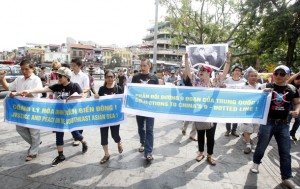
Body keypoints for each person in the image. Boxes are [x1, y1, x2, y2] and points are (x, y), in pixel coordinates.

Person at [21, 67, 88, 167]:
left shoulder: (74, 86)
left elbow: (83, 95)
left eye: (60, 76)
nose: (58, 78)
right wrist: (29, 91)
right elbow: (43, 89)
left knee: (75, 134)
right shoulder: (57, 86)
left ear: (67, 77)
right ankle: (60, 156)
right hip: (59, 115)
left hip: (71, 115)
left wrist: (77, 97)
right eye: (57, 76)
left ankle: (83, 142)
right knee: (59, 134)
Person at [250, 65, 300, 189]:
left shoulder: (292, 89)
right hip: (268, 122)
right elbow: (252, 98)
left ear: (288, 75)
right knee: (261, 146)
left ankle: (286, 177)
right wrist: (262, 94)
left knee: (285, 152)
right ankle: (256, 163)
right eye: (276, 73)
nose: (278, 76)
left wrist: (297, 111)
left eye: (282, 74)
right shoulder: (267, 86)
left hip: (284, 124)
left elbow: (297, 103)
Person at [183, 52, 231, 165]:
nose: (200, 72)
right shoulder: (196, 82)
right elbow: (189, 72)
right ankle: (201, 153)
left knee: (210, 136)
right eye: (200, 70)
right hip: (199, 113)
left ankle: (210, 155)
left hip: (212, 114)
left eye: (203, 71)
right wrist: (186, 60)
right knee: (200, 134)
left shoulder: (215, 83)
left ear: (209, 73)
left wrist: (228, 60)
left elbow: (224, 73)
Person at [0, 59, 43, 161]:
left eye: (27, 69)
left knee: (34, 131)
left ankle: (33, 152)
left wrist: (17, 93)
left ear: (32, 69)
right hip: (20, 109)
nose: (24, 71)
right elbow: (8, 87)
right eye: (22, 69)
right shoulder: (19, 79)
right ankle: (35, 143)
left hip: (33, 108)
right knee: (20, 128)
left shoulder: (36, 80)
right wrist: (2, 79)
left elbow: (34, 94)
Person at [131, 58, 159, 161]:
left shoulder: (154, 78)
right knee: (140, 128)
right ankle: (142, 142)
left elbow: (158, 93)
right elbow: (132, 91)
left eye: (144, 66)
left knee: (150, 129)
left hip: (150, 108)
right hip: (139, 108)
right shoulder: (135, 77)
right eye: (141, 66)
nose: (142, 68)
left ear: (149, 66)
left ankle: (148, 152)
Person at [94, 70, 123, 164]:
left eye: (111, 77)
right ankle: (106, 154)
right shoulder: (102, 89)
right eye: (108, 77)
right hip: (103, 117)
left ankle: (119, 142)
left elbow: (123, 102)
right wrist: (96, 97)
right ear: (105, 78)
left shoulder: (118, 88)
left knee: (115, 135)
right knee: (103, 136)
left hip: (114, 117)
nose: (110, 79)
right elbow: (98, 103)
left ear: (114, 78)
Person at [240, 68, 260, 154]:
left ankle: (246, 136)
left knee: (255, 127)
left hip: (257, 112)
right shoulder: (243, 87)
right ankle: (248, 145)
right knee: (247, 127)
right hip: (247, 112)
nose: (253, 77)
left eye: (255, 76)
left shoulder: (260, 86)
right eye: (252, 76)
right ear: (248, 77)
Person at [70, 58, 90, 146]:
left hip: (80, 100)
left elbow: (87, 88)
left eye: (74, 65)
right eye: (72, 65)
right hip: (70, 100)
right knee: (71, 119)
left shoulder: (84, 76)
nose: (73, 67)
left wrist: (82, 93)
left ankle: (78, 137)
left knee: (79, 119)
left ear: (79, 66)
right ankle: (76, 135)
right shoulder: (70, 75)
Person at [223, 65, 246, 137]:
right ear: (233, 72)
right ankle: (228, 130)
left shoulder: (244, 81)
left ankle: (234, 130)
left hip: (238, 103)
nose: (237, 72)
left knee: (236, 117)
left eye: (239, 71)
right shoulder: (228, 80)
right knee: (228, 116)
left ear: (241, 73)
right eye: (236, 70)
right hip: (228, 102)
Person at [287, 71, 300, 141]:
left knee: (298, 121)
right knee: (288, 121)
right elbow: (289, 80)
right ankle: (286, 134)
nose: (299, 82)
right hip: (289, 105)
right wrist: (298, 73)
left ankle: (292, 133)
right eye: (298, 80)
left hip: (297, 106)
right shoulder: (289, 85)